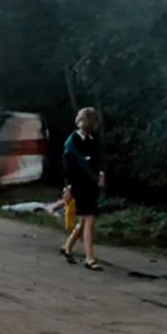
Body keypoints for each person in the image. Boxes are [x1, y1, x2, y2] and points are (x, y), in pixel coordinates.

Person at [60, 107, 106, 271]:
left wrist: (101, 175)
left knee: (84, 221)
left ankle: (67, 246)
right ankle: (89, 258)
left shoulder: (92, 140)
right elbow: (68, 169)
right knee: (89, 220)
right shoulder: (72, 143)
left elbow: (98, 160)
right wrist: (68, 188)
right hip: (78, 185)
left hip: (91, 185)